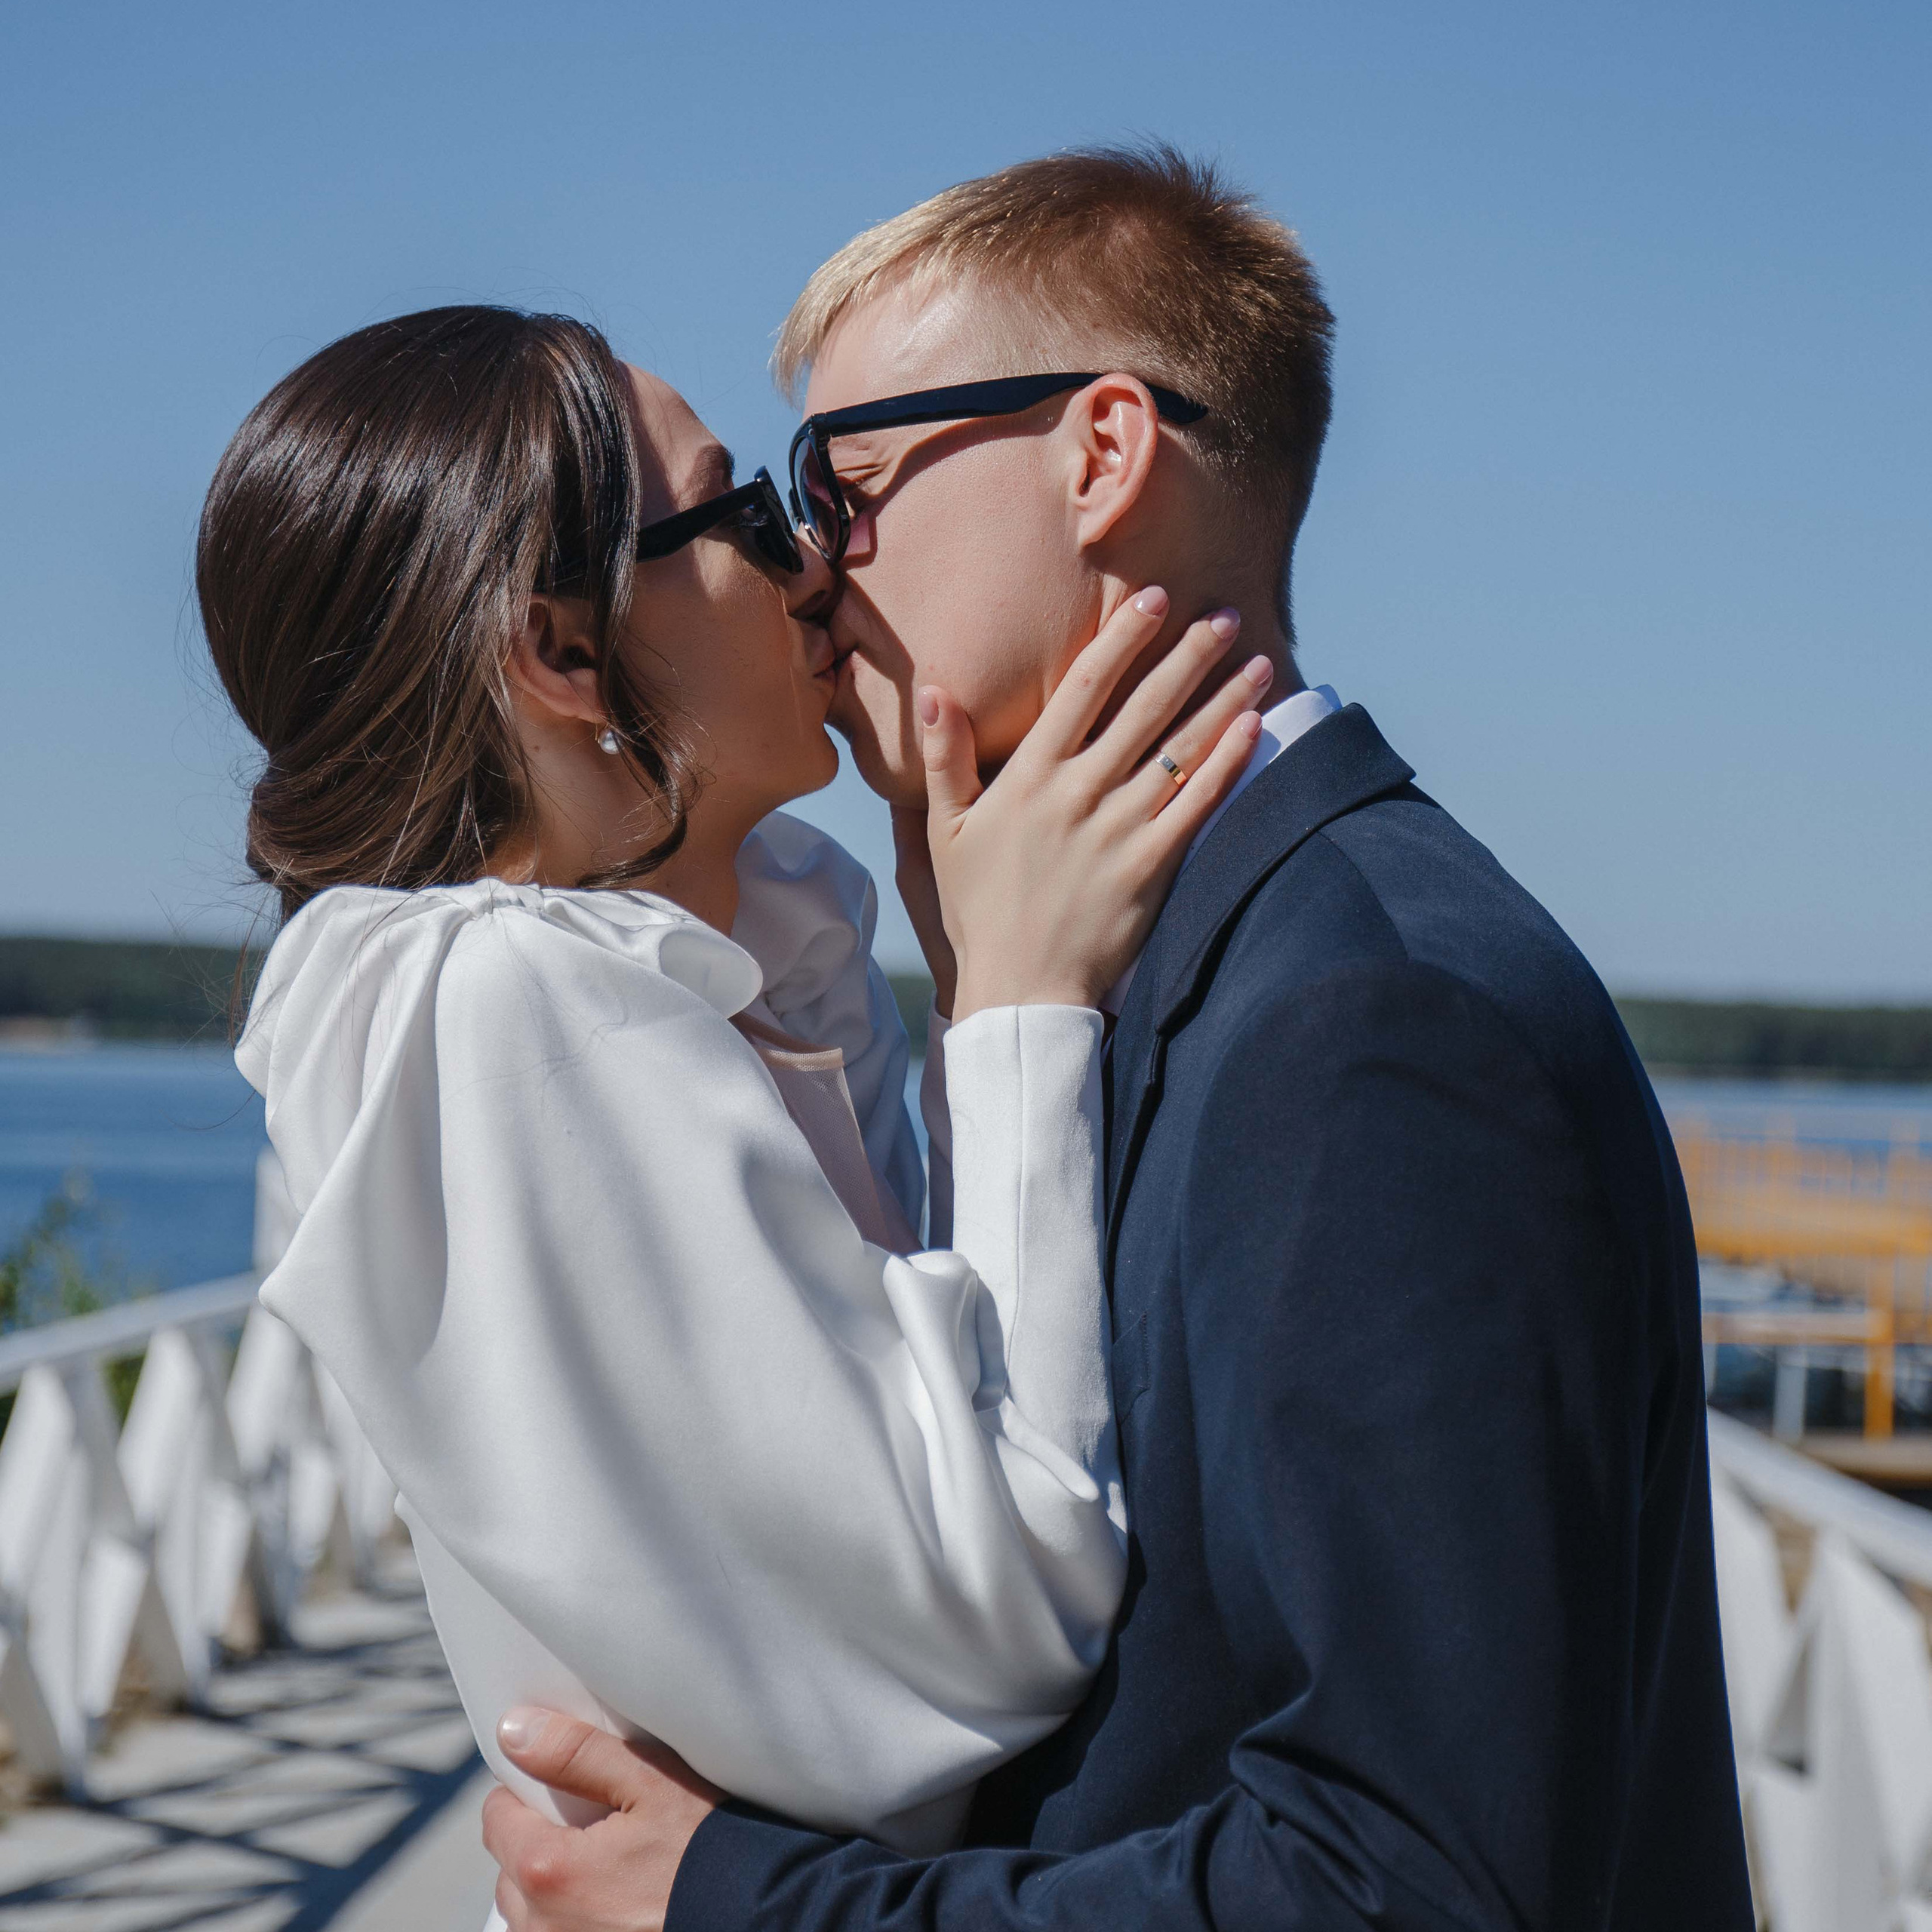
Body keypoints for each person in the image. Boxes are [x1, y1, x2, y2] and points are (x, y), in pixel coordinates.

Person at [482, 146, 1755, 1930]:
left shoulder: (1365, 1028)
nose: (809, 571)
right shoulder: (1203, 967)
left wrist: (747, 1905)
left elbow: (1408, 1878)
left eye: (842, 487)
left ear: (1097, 453)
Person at [198, 304, 1269, 1881]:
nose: (815, 566)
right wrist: (1019, 1002)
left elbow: (933, 1436)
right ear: (560, 649)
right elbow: (1004, 1612)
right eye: (751, 511)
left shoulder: (699, 963)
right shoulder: (518, 1011)